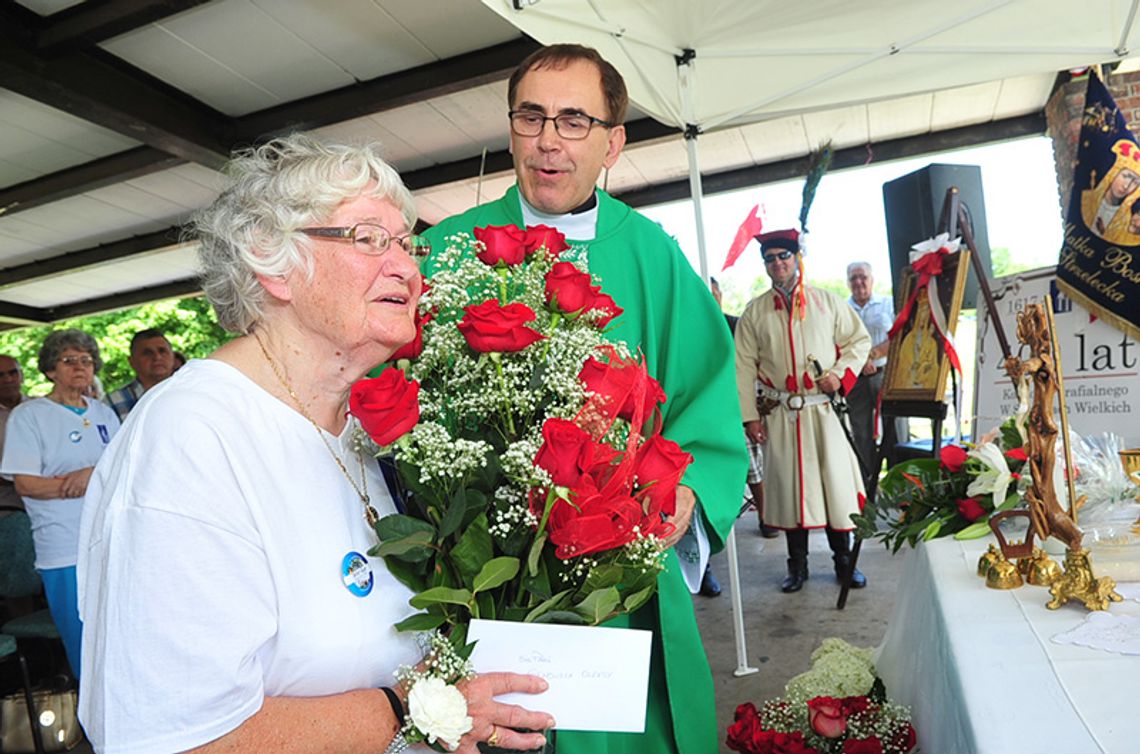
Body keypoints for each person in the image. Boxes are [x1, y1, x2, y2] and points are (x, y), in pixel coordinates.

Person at [77, 135, 553, 753]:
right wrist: (415, 710)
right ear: (270, 261)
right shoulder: (191, 436)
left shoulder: (357, 430)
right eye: (370, 239)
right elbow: (173, 739)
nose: (409, 267)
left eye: (406, 244)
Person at [422, 44, 748, 754]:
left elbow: (707, 405)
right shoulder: (448, 250)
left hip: (616, 591)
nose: (548, 140)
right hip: (486, 580)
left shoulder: (651, 255)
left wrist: (686, 491)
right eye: (531, 116)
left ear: (613, 142)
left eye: (574, 121)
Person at [735, 230, 871, 594]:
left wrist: (840, 376)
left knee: (834, 488)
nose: (778, 263)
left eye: (784, 256)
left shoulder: (828, 303)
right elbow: (743, 366)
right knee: (789, 491)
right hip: (781, 414)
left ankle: (844, 562)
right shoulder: (755, 312)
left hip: (823, 412)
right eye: (770, 258)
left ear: (797, 258)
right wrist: (750, 416)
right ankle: (797, 566)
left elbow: (859, 341)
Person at [1, 330, 120, 677]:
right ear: (50, 370)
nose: (80, 367)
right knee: (84, 644)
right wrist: (86, 482)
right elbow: (25, 483)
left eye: (86, 360)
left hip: (109, 542)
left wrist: (91, 475)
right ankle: (92, 727)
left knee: (119, 637)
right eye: (69, 361)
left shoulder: (104, 413)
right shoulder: (30, 415)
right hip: (64, 548)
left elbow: (119, 471)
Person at [712, 278, 777, 544]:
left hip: (740, 405)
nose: (710, 297)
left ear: (720, 294)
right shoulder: (690, 327)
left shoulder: (737, 325)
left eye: (713, 292)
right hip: (710, 410)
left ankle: (766, 515)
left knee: (753, 466)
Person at [845, 261, 896, 471]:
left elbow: (898, 337)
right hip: (856, 379)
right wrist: (861, 361)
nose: (858, 282)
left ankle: (899, 479)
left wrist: (872, 356)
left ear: (872, 279)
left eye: (863, 277)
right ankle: (868, 483)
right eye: (853, 278)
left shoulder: (888, 304)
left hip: (885, 375)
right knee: (861, 434)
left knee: (894, 429)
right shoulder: (842, 309)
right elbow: (838, 343)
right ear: (848, 283)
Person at [104, 328, 175, 421]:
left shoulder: (190, 392)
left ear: (173, 356)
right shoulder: (112, 402)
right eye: (147, 353)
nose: (157, 357)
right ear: (131, 361)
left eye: (162, 351)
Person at [0, 354, 27, 514]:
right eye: (0, 375)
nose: (8, 379)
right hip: (6, 506)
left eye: (13, 372)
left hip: (49, 502)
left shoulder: (42, 408)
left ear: (21, 375)